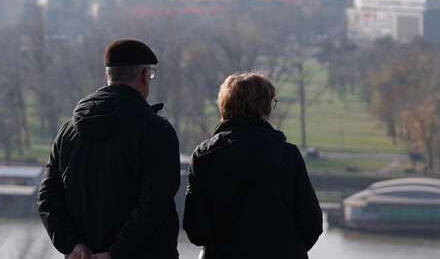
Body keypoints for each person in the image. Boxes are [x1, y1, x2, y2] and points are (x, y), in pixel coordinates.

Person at [38, 38, 180, 259]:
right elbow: (154, 204)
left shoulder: (67, 133)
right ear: (144, 75)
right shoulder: (157, 133)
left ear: (107, 76)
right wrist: (117, 253)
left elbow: (48, 198)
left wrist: (73, 245)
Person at [183, 71, 323, 258]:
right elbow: (311, 223)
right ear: (264, 108)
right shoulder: (287, 155)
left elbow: (196, 229)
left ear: (224, 107)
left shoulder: (204, 157)